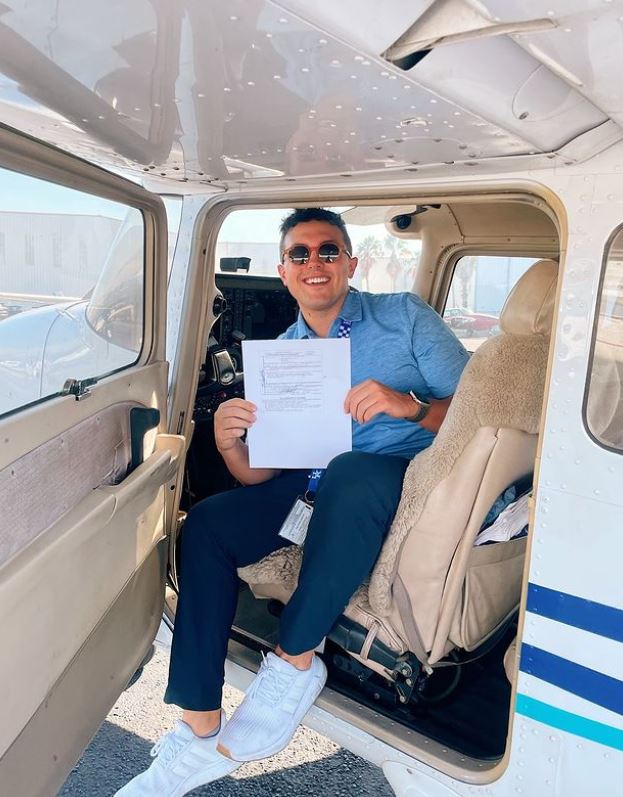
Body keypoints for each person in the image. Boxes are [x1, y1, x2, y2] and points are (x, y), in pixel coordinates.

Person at [116, 208, 469, 796]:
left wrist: (410, 406)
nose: (314, 263)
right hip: (312, 486)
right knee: (207, 523)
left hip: (400, 478)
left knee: (353, 470)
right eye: (299, 254)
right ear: (283, 271)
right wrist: (230, 444)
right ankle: (198, 728)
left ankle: (293, 661)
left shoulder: (403, 318)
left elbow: (478, 413)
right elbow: (263, 475)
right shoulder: (283, 351)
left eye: (328, 250)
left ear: (350, 263)